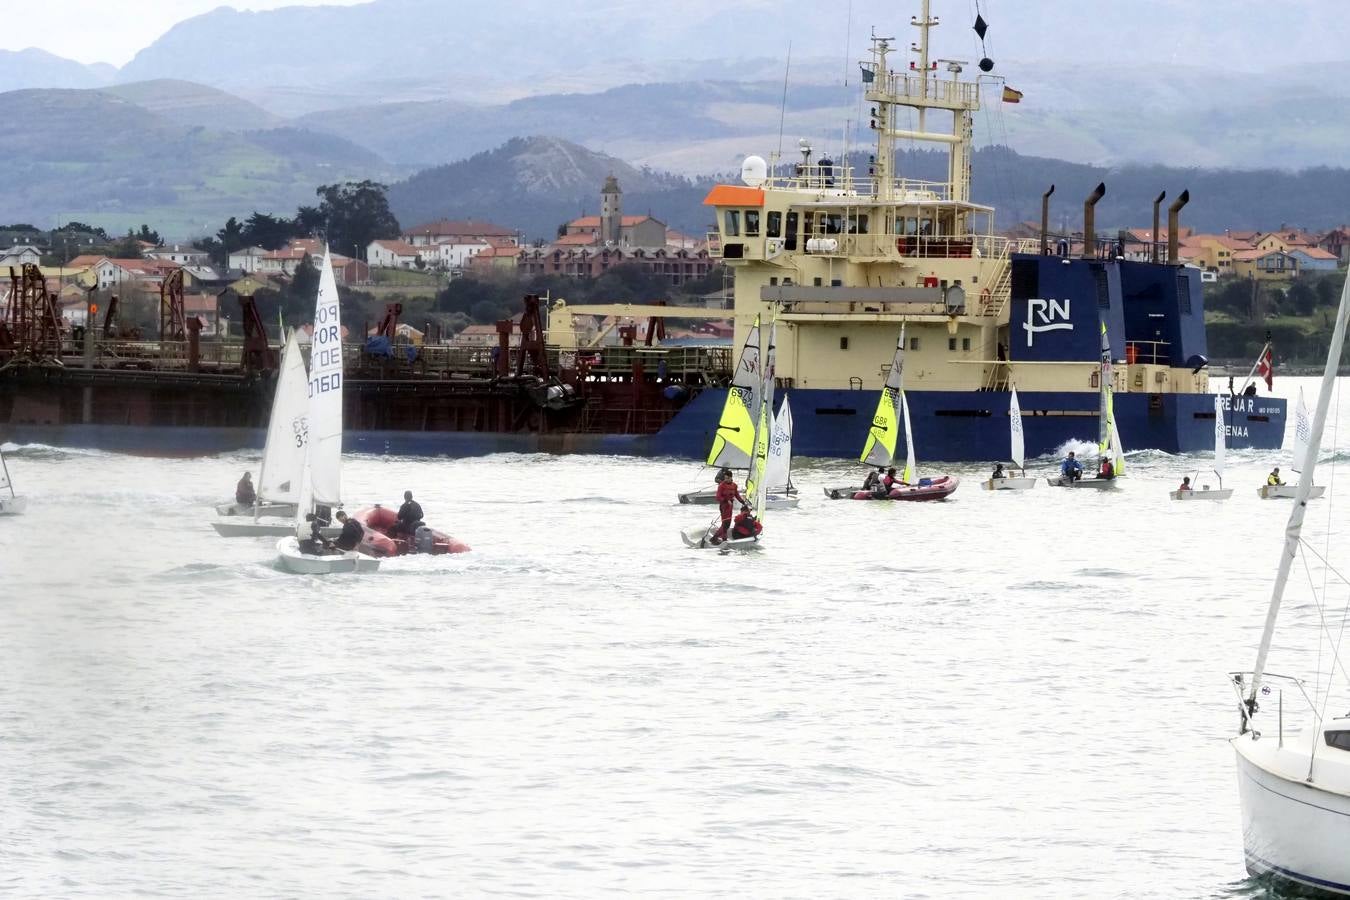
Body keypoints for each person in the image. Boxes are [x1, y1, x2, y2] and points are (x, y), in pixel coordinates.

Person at [711, 468, 746, 544]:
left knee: (728, 523)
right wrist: (726, 500)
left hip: (730, 507)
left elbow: (737, 495)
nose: (725, 480)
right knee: (725, 524)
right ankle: (715, 538)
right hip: (724, 506)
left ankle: (724, 538)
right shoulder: (721, 485)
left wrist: (742, 502)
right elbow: (718, 497)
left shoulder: (734, 486)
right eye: (725, 478)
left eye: (727, 478)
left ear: (731, 478)